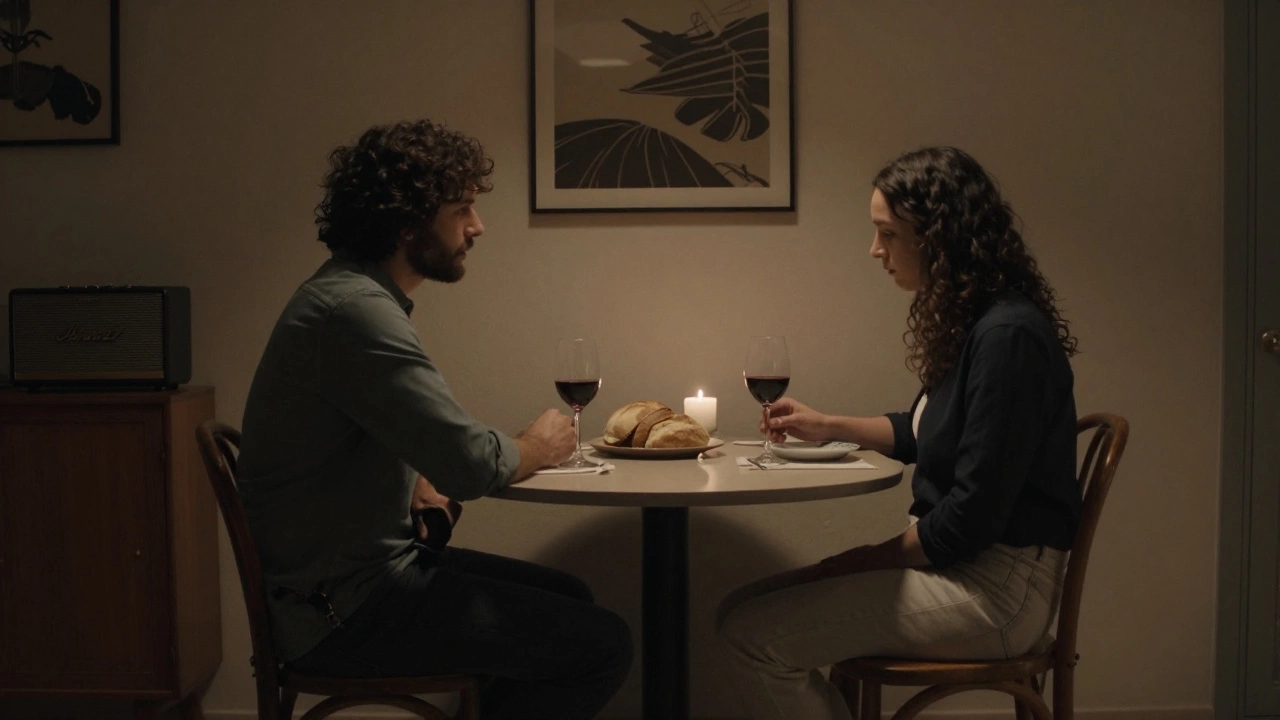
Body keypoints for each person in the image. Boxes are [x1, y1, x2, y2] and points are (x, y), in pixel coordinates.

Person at [237, 119, 632, 720]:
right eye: (461, 209)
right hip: (342, 611)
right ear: (407, 222)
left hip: (349, 581)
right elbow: (471, 465)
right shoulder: (355, 312)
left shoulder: (348, 297)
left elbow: (385, 440)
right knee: (603, 645)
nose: (477, 226)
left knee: (570, 595)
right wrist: (539, 444)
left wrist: (413, 482)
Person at [717, 146, 1081, 720]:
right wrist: (823, 425)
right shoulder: (977, 323)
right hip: (965, 569)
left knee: (750, 635)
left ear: (939, 236)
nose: (875, 250)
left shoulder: (1007, 337)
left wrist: (863, 560)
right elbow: (919, 434)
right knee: (740, 607)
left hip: (997, 592)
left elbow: (971, 518)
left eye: (888, 233)